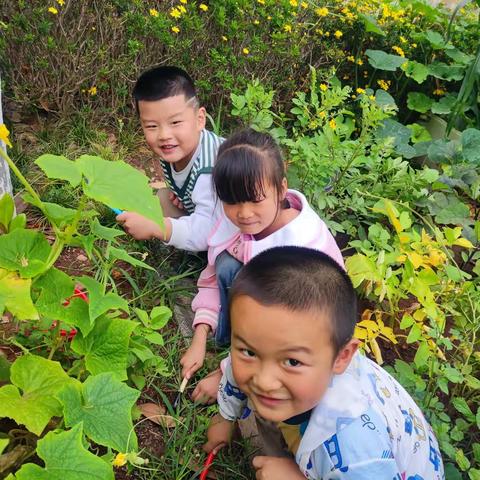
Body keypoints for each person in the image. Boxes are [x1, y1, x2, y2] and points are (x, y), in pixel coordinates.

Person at [204, 246, 445, 480]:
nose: (264, 380)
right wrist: (225, 419)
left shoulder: (356, 451)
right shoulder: (273, 350)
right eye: (248, 351)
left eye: (292, 361)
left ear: (342, 357)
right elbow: (236, 373)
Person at [180, 129, 344, 401]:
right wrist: (199, 338)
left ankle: (237, 356)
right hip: (264, 308)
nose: (243, 213)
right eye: (231, 201)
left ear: (281, 188)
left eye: (255, 200)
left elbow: (281, 335)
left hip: (305, 334)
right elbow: (211, 277)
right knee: (224, 263)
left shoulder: (297, 252)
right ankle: (231, 341)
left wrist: (224, 375)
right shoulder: (240, 219)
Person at [117, 65, 223, 252]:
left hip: (245, 233)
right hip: (212, 217)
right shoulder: (176, 149)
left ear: (200, 119)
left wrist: (157, 228)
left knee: (226, 264)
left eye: (175, 122)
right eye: (151, 126)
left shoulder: (211, 167)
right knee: (163, 199)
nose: (164, 135)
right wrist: (184, 196)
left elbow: (209, 231)